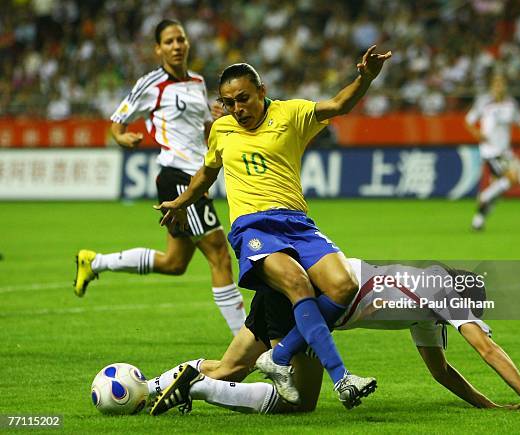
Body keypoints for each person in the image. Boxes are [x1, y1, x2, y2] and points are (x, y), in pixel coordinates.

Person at [156, 46, 393, 408]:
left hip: (298, 224)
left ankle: (276, 357)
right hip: (254, 229)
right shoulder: (222, 129)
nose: (238, 109)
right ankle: (343, 380)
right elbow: (207, 172)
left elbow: (338, 105)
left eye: (244, 99)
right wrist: (182, 201)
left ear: (262, 90)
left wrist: (365, 78)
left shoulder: (291, 114)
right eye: (229, 102)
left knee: (344, 286)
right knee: (298, 284)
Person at [147, 258, 520, 416]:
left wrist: (490, 406)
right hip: (306, 297)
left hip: (295, 283)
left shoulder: (427, 300)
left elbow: (441, 371)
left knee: (230, 369)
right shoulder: (445, 294)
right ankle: (199, 391)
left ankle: (152, 387)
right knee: (300, 402)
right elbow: (486, 347)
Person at [73, 19, 245, 336]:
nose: (177, 46)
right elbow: (117, 121)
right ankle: (251, 346)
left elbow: (206, 132)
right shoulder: (151, 84)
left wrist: (219, 122)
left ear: (188, 44)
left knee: (174, 263)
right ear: (158, 49)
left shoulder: (196, 81)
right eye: (169, 41)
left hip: (196, 176)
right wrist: (121, 138)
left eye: (181, 39)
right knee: (220, 254)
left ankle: (94, 262)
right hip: (176, 176)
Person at [465, 72, 520, 231]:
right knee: (512, 178)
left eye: (501, 84)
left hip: (505, 151)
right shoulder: (484, 102)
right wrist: (476, 133)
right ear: (492, 86)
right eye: (496, 84)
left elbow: (519, 122)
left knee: (500, 188)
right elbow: (468, 121)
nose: (499, 87)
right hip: (490, 151)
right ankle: (484, 197)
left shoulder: (511, 104)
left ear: (505, 86)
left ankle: (478, 221)